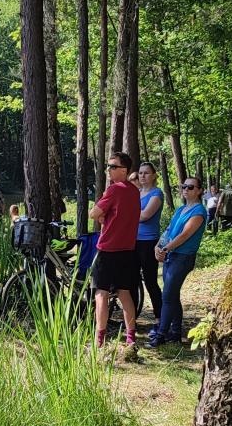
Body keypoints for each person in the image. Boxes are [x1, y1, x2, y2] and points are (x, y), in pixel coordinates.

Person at [88, 152, 140, 358]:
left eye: (113, 166)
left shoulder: (114, 190)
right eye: (108, 166)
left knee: (100, 293)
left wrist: (101, 208)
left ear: (124, 170)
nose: (108, 169)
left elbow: (94, 213)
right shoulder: (134, 191)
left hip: (108, 249)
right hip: (127, 249)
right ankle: (131, 338)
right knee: (124, 292)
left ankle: (99, 340)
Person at [151, 178, 208, 347]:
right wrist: (158, 246)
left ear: (199, 190)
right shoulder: (182, 209)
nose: (186, 189)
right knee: (172, 295)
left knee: (167, 296)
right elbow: (169, 229)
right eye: (183, 186)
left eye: (190, 187)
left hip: (183, 258)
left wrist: (165, 249)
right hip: (172, 255)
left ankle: (161, 334)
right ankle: (175, 332)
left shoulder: (199, 212)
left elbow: (185, 235)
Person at [133, 162, 164, 322]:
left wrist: (128, 213)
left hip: (148, 242)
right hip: (132, 241)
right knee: (131, 279)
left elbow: (145, 215)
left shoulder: (156, 194)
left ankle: (159, 316)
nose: (143, 176)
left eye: (146, 173)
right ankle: (131, 317)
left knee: (150, 280)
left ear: (153, 175)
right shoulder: (136, 192)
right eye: (140, 173)